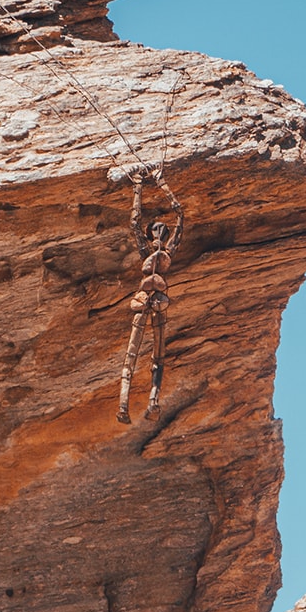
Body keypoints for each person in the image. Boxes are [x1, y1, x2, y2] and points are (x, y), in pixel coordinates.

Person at [117, 168, 183, 424]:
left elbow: (179, 213)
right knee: (133, 355)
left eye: (160, 231)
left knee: (157, 356)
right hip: (148, 300)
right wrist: (139, 184)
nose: (158, 233)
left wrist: (159, 182)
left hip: (156, 302)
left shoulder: (166, 250)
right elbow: (134, 222)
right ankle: (123, 404)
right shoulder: (150, 250)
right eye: (155, 231)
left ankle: (152, 401)